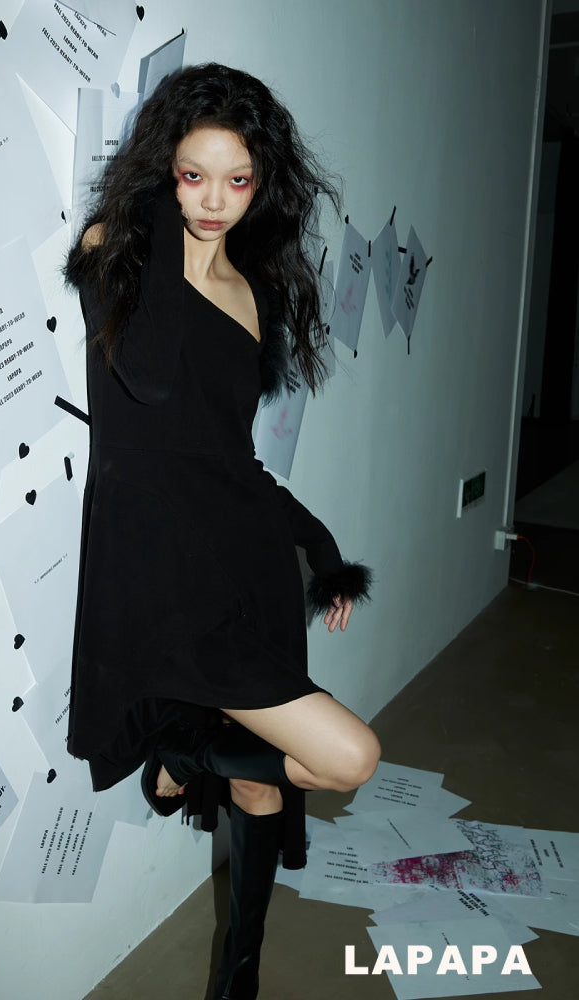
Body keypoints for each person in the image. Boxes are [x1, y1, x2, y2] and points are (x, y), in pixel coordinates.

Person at [65, 63, 380, 1000]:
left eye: (237, 180)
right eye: (192, 175)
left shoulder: (251, 291)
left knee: (261, 785)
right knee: (349, 756)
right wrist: (160, 226)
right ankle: (179, 751)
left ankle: (236, 981)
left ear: (262, 181)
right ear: (163, 170)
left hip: (239, 560)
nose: (213, 201)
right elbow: (152, 375)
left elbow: (228, 459)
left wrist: (319, 547)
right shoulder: (120, 249)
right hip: (155, 568)